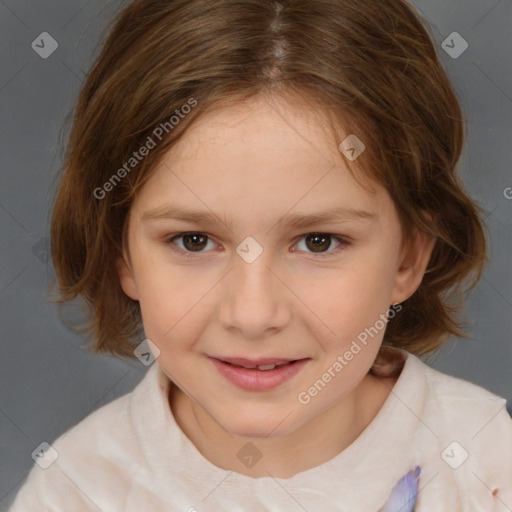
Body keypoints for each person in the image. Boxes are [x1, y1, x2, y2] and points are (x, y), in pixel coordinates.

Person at [9, 0, 511, 510]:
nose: (252, 314)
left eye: (318, 242)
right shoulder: (78, 491)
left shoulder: (486, 470)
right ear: (121, 254)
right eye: (194, 241)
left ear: (408, 258)